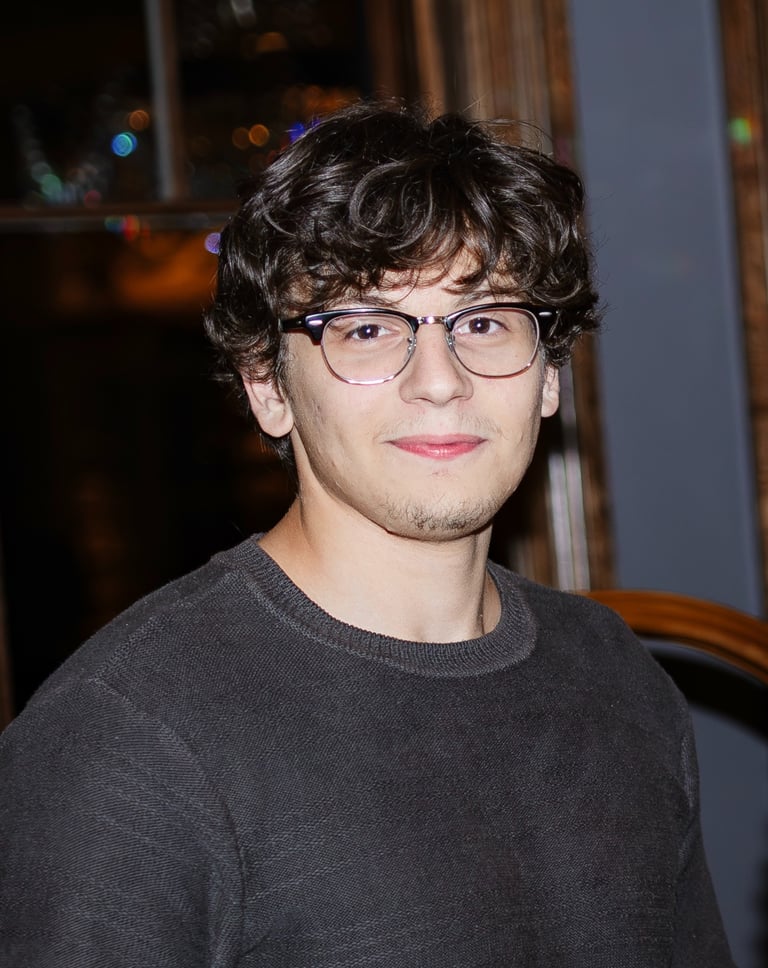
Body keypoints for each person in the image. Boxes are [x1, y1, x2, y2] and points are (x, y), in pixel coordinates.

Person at [0, 101, 733, 967]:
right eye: (367, 328)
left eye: (486, 320)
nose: (439, 380)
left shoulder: (617, 677)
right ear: (269, 386)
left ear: (547, 376)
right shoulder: (126, 740)